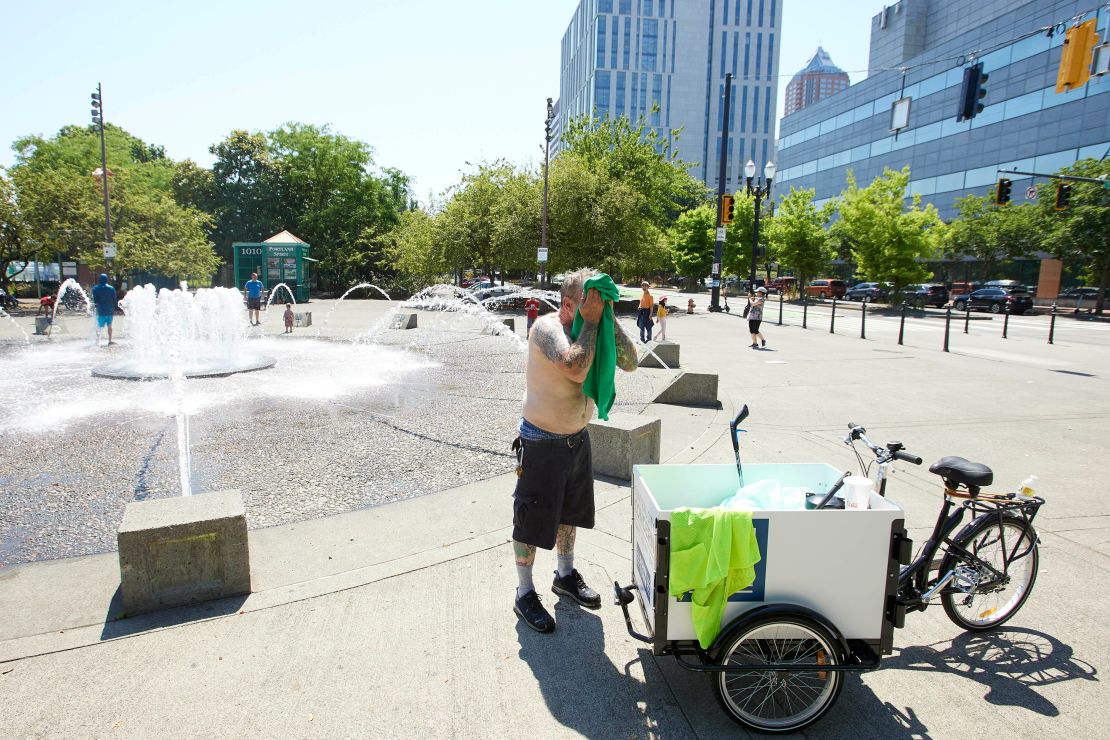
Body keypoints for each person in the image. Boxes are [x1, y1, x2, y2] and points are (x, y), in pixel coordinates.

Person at [512, 267, 639, 633]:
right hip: (541, 440)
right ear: (569, 304)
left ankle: (564, 575)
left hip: (576, 438)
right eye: (590, 299)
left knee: (570, 513)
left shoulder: (595, 324)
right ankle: (524, 593)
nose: (597, 305)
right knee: (531, 520)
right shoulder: (547, 329)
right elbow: (575, 367)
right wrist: (593, 321)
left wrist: (608, 318)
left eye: (600, 299)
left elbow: (631, 362)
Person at [91, 274, 118, 345]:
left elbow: (95, 300)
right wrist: (115, 308)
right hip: (109, 309)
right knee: (110, 325)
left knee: (99, 326)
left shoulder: (95, 288)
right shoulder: (111, 288)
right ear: (107, 279)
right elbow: (114, 299)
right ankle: (110, 340)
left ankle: (97, 340)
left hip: (100, 309)